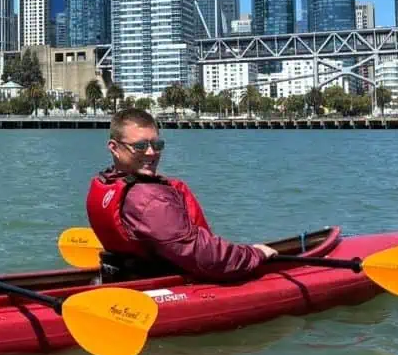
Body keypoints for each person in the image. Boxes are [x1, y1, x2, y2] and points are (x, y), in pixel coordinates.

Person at [85, 107, 278, 282]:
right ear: (114, 148)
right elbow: (201, 254)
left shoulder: (107, 181)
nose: (152, 153)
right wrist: (255, 254)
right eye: (140, 146)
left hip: (124, 276)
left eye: (157, 145)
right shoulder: (149, 200)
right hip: (161, 283)